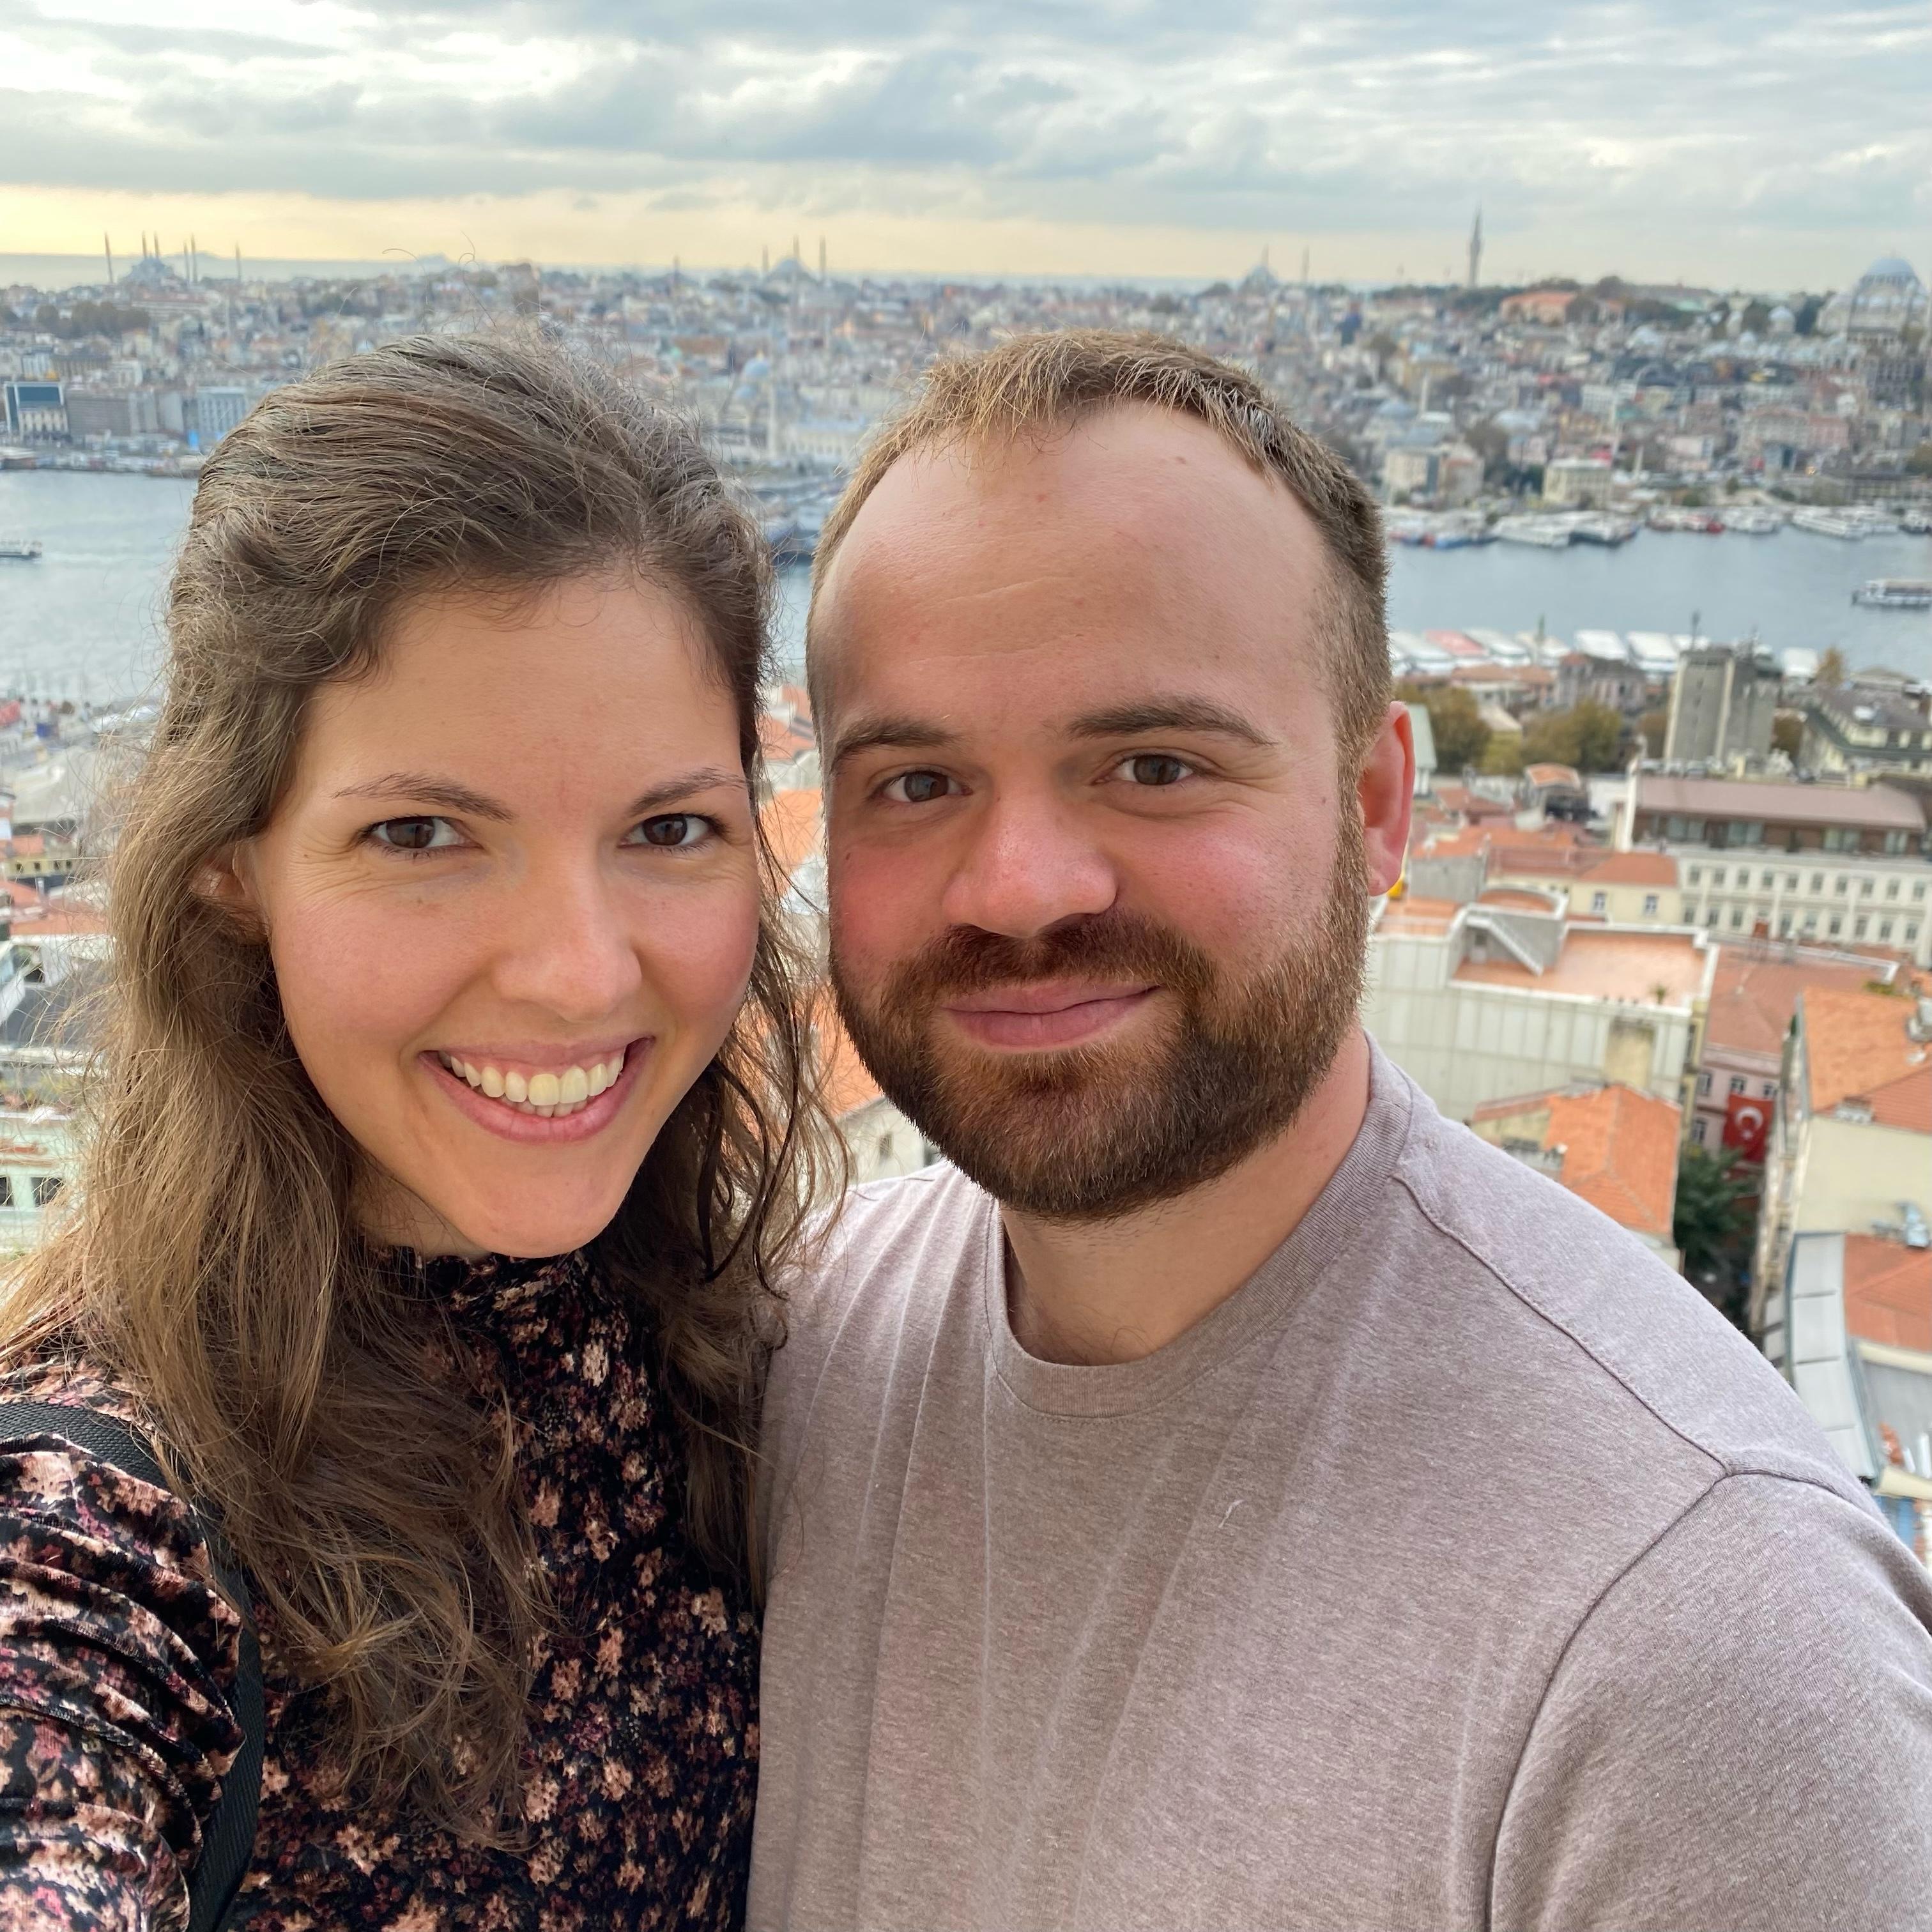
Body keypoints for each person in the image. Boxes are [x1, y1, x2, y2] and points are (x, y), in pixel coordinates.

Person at [749, 331, 1932, 1930]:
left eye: (1155, 764)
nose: (1021, 885)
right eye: (915, 782)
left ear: (1378, 808)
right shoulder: (800, 1354)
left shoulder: (1702, 1633)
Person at [0, 335, 831, 1928]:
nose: (582, 971)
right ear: (232, 867)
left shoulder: (734, 1343)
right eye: (424, 833)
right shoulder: (106, 1525)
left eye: (669, 828)